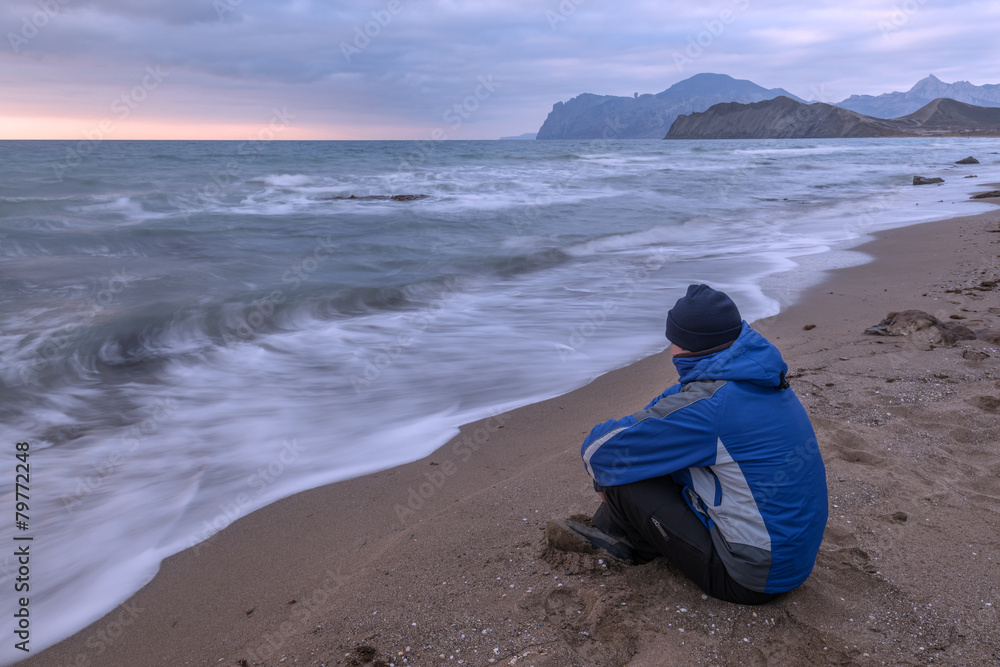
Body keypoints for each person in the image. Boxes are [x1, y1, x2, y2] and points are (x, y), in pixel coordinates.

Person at [568, 284, 828, 605]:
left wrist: (607, 477)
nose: (671, 349)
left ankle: (631, 543)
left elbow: (598, 451)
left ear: (689, 346)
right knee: (660, 455)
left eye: (673, 340)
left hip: (750, 577)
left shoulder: (712, 407)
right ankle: (618, 530)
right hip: (792, 560)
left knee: (621, 469)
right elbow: (673, 407)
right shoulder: (758, 377)